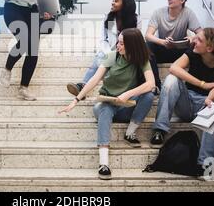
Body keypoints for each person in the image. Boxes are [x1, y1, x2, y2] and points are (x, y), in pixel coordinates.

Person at [59, 28, 155, 180]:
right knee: (104, 108)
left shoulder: (142, 60)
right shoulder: (112, 56)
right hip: (107, 104)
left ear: (133, 46)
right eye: (118, 41)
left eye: (122, 43)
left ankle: (130, 133)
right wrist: (76, 99)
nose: (118, 45)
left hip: (126, 106)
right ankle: (104, 163)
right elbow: (95, 79)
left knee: (149, 96)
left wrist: (128, 94)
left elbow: (151, 83)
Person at [150, 28, 214, 175]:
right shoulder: (192, 53)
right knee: (171, 79)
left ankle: (206, 163)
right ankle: (160, 129)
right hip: (185, 103)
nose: (194, 40)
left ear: (210, 48)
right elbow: (174, 68)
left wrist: (209, 99)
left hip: (204, 106)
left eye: (199, 39)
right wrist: (202, 84)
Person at [66, 0, 140, 98]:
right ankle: (82, 86)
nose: (112, 3)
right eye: (113, 0)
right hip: (111, 52)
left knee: (103, 60)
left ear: (125, 4)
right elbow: (103, 39)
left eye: (116, 1)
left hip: (127, 53)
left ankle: (82, 87)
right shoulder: (107, 18)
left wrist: (121, 51)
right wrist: (108, 52)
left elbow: (136, 40)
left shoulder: (136, 20)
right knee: (100, 57)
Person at [145, 0, 202, 91]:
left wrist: (191, 38)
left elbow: (201, 33)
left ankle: (193, 86)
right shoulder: (158, 12)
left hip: (181, 52)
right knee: (147, 46)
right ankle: (156, 85)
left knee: (197, 46)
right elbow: (148, 35)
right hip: (162, 49)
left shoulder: (188, 13)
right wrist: (163, 42)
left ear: (182, 0)